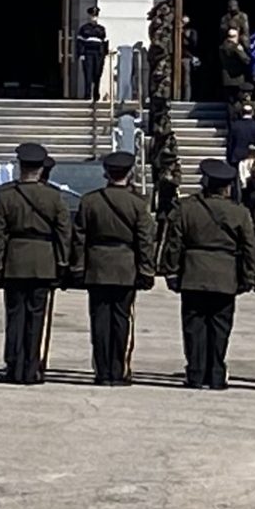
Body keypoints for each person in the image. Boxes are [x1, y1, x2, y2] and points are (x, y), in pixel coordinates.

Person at [161, 157, 255, 389]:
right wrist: (248, 276)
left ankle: (195, 372)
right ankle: (215, 372)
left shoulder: (187, 208)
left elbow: (175, 243)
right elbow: (250, 247)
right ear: (227, 187)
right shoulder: (239, 213)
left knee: (194, 326)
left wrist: (171, 271)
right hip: (225, 274)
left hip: (194, 272)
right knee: (220, 327)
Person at [71, 149, 156, 385]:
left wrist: (78, 267)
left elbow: (79, 237)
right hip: (125, 266)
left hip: (97, 266)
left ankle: (102, 370)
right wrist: (146, 270)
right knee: (121, 321)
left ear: (106, 173)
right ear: (129, 174)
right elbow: (145, 240)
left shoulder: (90, 201)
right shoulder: (138, 204)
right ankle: (118, 370)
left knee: (99, 321)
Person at [0, 142, 69, 384]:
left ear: (20, 166)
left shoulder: (5, 194)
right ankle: (32, 367)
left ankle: (13, 366)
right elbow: (64, 232)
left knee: (15, 317)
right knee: (36, 318)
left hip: (14, 259)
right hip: (43, 260)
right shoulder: (53, 196)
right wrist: (62, 262)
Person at [74, 6, 110, 101]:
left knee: (97, 73)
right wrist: (81, 54)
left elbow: (105, 42)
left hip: (98, 54)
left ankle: (96, 93)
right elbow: (80, 42)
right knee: (88, 74)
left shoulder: (101, 29)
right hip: (88, 53)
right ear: (89, 16)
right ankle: (87, 94)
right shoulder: (84, 29)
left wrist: (105, 53)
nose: (94, 18)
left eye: (95, 16)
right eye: (92, 16)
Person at [217, 28, 252, 107]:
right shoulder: (235, 47)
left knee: (229, 100)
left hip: (226, 76)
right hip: (237, 77)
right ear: (236, 36)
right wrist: (242, 50)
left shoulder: (222, 47)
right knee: (237, 100)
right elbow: (246, 60)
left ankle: (230, 117)